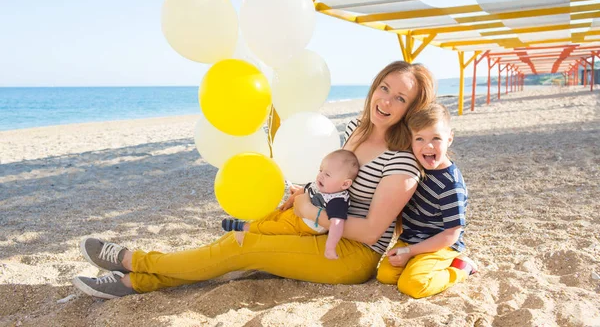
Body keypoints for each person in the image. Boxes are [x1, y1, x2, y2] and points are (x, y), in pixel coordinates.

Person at [72, 61, 438, 300]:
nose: (387, 100)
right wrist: (304, 194)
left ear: (410, 110)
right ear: (375, 86)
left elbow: (373, 232)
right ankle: (135, 283)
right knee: (242, 236)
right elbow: (335, 182)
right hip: (316, 227)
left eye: (400, 98)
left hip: (349, 255)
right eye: (385, 88)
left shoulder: (402, 161)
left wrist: (312, 212)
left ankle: (133, 261)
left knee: (242, 249)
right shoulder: (352, 130)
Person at [376, 103, 477, 299]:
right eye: (419, 138)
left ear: (450, 138)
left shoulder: (450, 185)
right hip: (411, 238)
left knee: (413, 285)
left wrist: (410, 251)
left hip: (440, 244)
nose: (428, 146)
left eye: (436, 138)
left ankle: (461, 268)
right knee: (386, 275)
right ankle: (418, 262)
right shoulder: (413, 167)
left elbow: (452, 233)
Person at [221, 149, 359, 260]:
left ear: (345, 184)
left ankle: (244, 227)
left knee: (275, 228)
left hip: (303, 226)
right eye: (320, 170)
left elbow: (337, 224)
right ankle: (251, 223)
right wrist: (288, 203)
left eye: (327, 174)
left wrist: (330, 246)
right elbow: (303, 190)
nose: (320, 176)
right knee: (273, 215)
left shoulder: (337, 200)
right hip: (295, 212)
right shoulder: (322, 185)